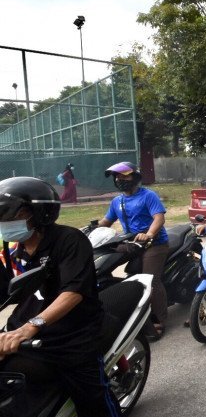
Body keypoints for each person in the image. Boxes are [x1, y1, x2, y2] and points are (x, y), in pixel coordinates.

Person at [0, 177, 121, 416]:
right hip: (25, 331)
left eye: (14, 214)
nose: (5, 221)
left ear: (40, 213)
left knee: (92, 401)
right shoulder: (16, 249)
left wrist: (30, 327)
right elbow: (9, 292)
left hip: (72, 338)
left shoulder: (69, 240)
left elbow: (73, 293)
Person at [96, 161, 169, 339]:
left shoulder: (148, 195)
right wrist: (90, 229)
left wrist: (149, 234)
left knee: (151, 280)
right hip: (131, 243)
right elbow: (106, 222)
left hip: (154, 244)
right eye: (117, 177)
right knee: (103, 261)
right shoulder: (117, 201)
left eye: (124, 176)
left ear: (135, 177)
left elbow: (159, 218)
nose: (119, 180)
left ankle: (160, 320)